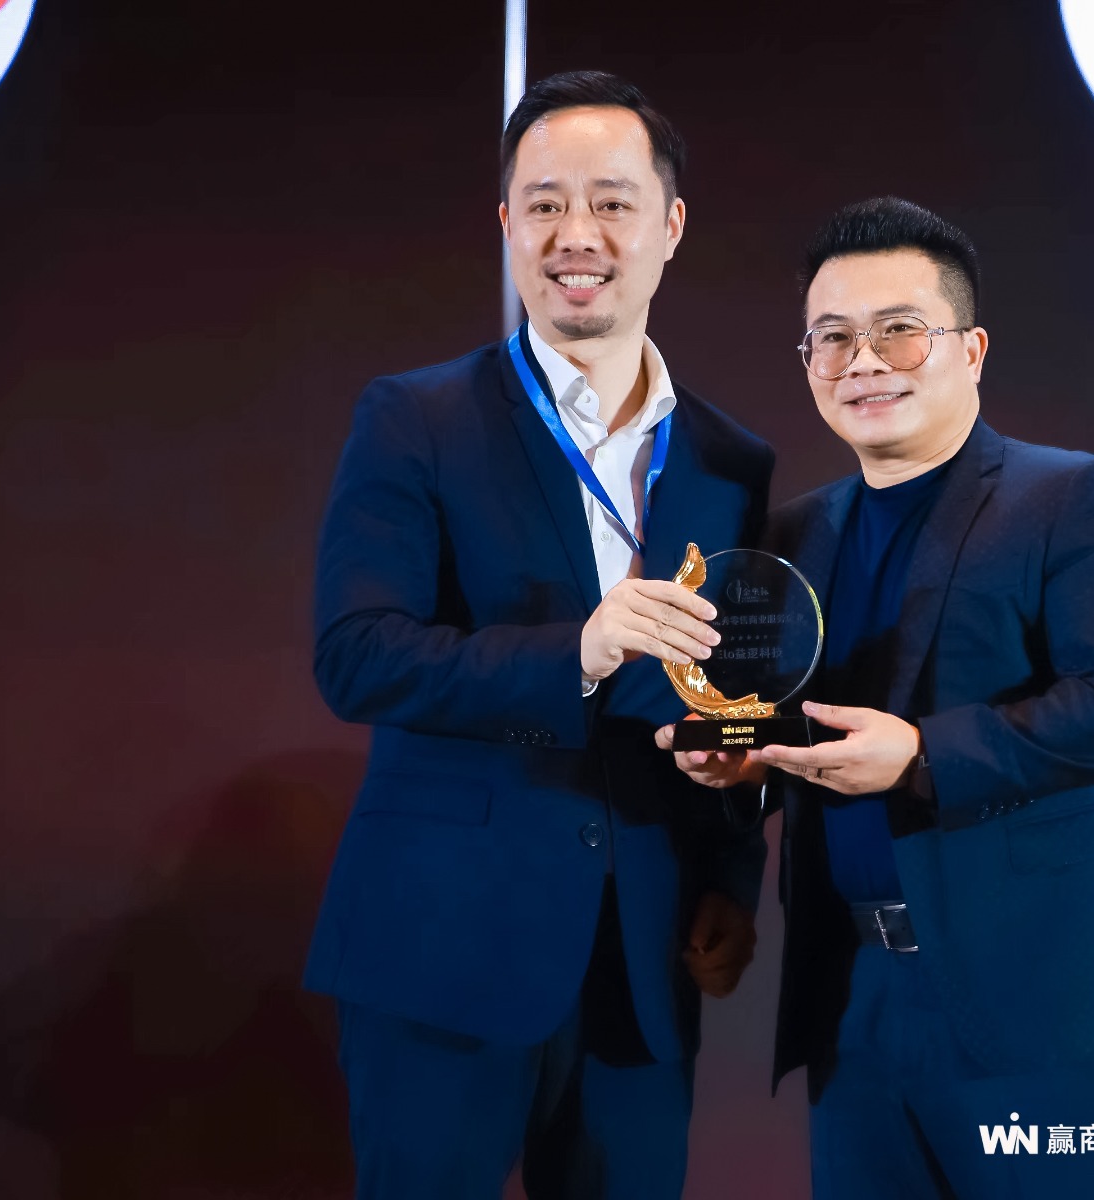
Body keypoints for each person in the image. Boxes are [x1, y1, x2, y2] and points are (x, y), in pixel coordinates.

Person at [305, 71, 773, 1199]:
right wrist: (578, 651)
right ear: (507, 223)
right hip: (442, 948)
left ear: (668, 226)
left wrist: (729, 870)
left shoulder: (731, 461)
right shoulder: (415, 417)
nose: (577, 235)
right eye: (546, 204)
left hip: (645, 958)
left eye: (611, 203)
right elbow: (357, 655)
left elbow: (732, 694)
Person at [660, 197, 1094, 1199]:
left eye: (897, 330)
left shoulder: (1067, 496)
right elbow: (780, 726)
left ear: (970, 349)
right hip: (848, 995)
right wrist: (737, 765)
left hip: (1034, 998)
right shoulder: (791, 533)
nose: (862, 362)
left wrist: (919, 755)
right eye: (831, 339)